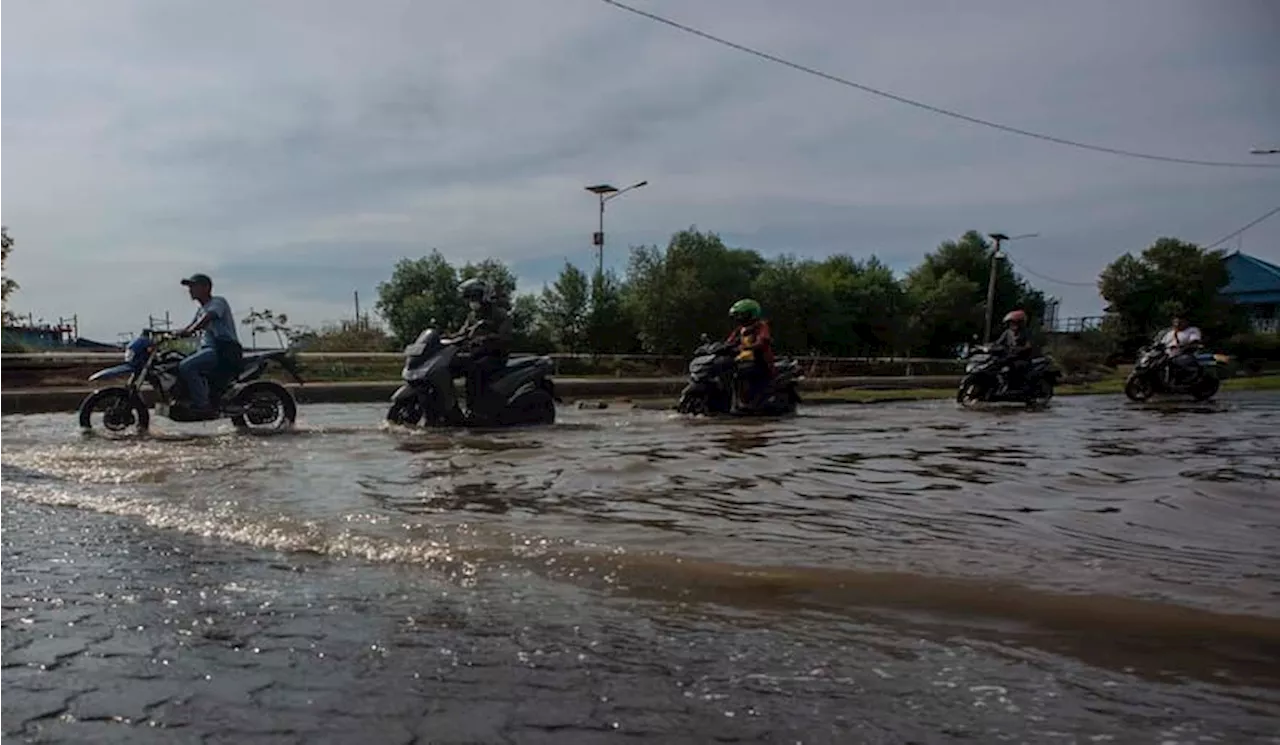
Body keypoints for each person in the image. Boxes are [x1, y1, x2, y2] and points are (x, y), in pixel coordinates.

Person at [174, 273, 243, 415]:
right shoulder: (200, 310)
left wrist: (191, 329)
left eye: (194, 286)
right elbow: (190, 327)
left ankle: (202, 405)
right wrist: (172, 334)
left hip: (223, 349)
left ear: (206, 287)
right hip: (209, 349)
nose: (190, 290)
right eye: (190, 287)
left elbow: (208, 317)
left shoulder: (218, 302)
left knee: (186, 366)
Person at [449, 278, 513, 423]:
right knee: (451, 365)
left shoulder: (500, 314)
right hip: (476, 355)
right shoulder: (472, 316)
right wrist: (444, 337)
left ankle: (475, 411)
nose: (472, 301)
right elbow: (462, 333)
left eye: (474, 297)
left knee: (474, 371)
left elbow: (505, 337)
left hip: (495, 356)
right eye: (469, 298)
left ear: (484, 296)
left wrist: (488, 338)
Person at [725, 298, 775, 410]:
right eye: (737, 316)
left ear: (751, 314)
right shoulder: (740, 329)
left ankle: (743, 401)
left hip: (760, 362)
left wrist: (747, 347)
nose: (739, 318)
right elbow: (729, 342)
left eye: (742, 315)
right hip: (744, 361)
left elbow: (763, 340)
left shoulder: (762, 326)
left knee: (739, 375)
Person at [993, 309, 1035, 393]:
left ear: (1020, 323)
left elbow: (1028, 346)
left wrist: (1019, 349)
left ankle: (1014, 388)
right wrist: (989, 346)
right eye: (1011, 323)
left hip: (1022, 358)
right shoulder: (1007, 332)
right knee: (995, 363)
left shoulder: (1026, 333)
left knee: (1012, 368)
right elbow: (998, 342)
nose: (1012, 325)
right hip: (1009, 357)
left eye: (1015, 322)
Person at [1157, 313, 1203, 384]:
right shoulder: (1169, 333)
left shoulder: (1192, 330)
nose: (1177, 324)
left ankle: (1181, 381)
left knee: (1175, 363)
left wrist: (1183, 346)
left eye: (1180, 322)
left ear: (1186, 322)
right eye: (1176, 322)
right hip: (1167, 356)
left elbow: (1194, 341)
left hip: (1185, 354)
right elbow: (1161, 343)